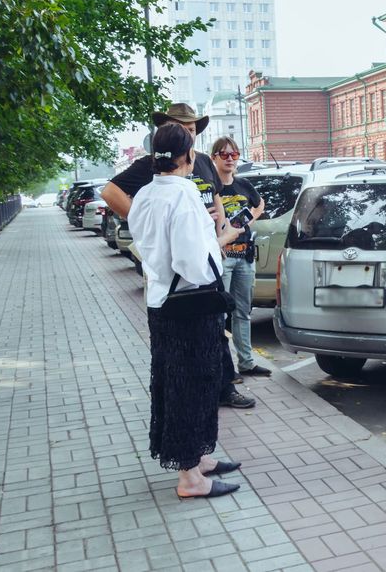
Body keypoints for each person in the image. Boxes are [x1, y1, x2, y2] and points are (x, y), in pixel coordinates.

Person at [102, 102, 257, 410]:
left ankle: (222, 388)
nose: (187, 133)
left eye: (191, 129)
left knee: (215, 330)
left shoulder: (200, 162)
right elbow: (110, 192)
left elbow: (214, 195)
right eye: (180, 128)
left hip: (203, 253)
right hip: (183, 271)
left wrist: (220, 225)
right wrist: (148, 226)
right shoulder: (157, 165)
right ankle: (194, 411)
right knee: (185, 353)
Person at [127, 123, 245, 498]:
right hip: (192, 306)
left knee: (173, 383)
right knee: (194, 386)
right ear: (189, 156)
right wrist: (221, 243)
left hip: (161, 301)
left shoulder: (146, 193)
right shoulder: (184, 195)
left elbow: (147, 245)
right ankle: (190, 478)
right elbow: (193, 262)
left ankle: (196, 458)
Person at [210, 135, 270, 378]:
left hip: (244, 257)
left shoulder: (244, 185)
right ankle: (223, 367)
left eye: (234, 154)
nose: (230, 159)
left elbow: (260, 204)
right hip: (222, 257)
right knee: (219, 314)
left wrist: (246, 222)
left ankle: (246, 363)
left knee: (243, 312)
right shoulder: (211, 188)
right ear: (214, 157)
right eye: (224, 155)